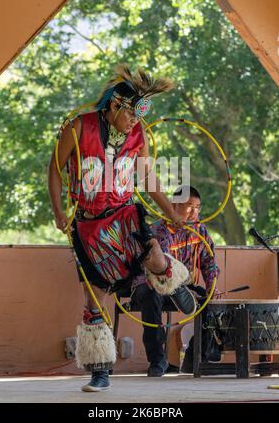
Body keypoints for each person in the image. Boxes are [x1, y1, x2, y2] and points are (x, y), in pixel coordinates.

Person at [48, 65, 198, 392]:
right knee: (94, 298)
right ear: (115, 105)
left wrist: (171, 211)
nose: (135, 121)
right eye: (131, 114)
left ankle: (174, 284)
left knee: (156, 258)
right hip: (88, 228)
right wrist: (59, 212)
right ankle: (100, 369)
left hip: (125, 215)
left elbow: (147, 177)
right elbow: (55, 171)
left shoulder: (137, 133)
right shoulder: (77, 128)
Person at [131, 185, 220, 377]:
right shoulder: (159, 231)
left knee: (209, 301)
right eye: (188, 206)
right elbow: (162, 264)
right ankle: (157, 361)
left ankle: (195, 357)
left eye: (197, 207)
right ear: (173, 205)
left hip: (183, 286)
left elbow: (209, 263)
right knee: (151, 295)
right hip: (151, 283)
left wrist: (212, 288)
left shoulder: (200, 231)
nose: (193, 212)